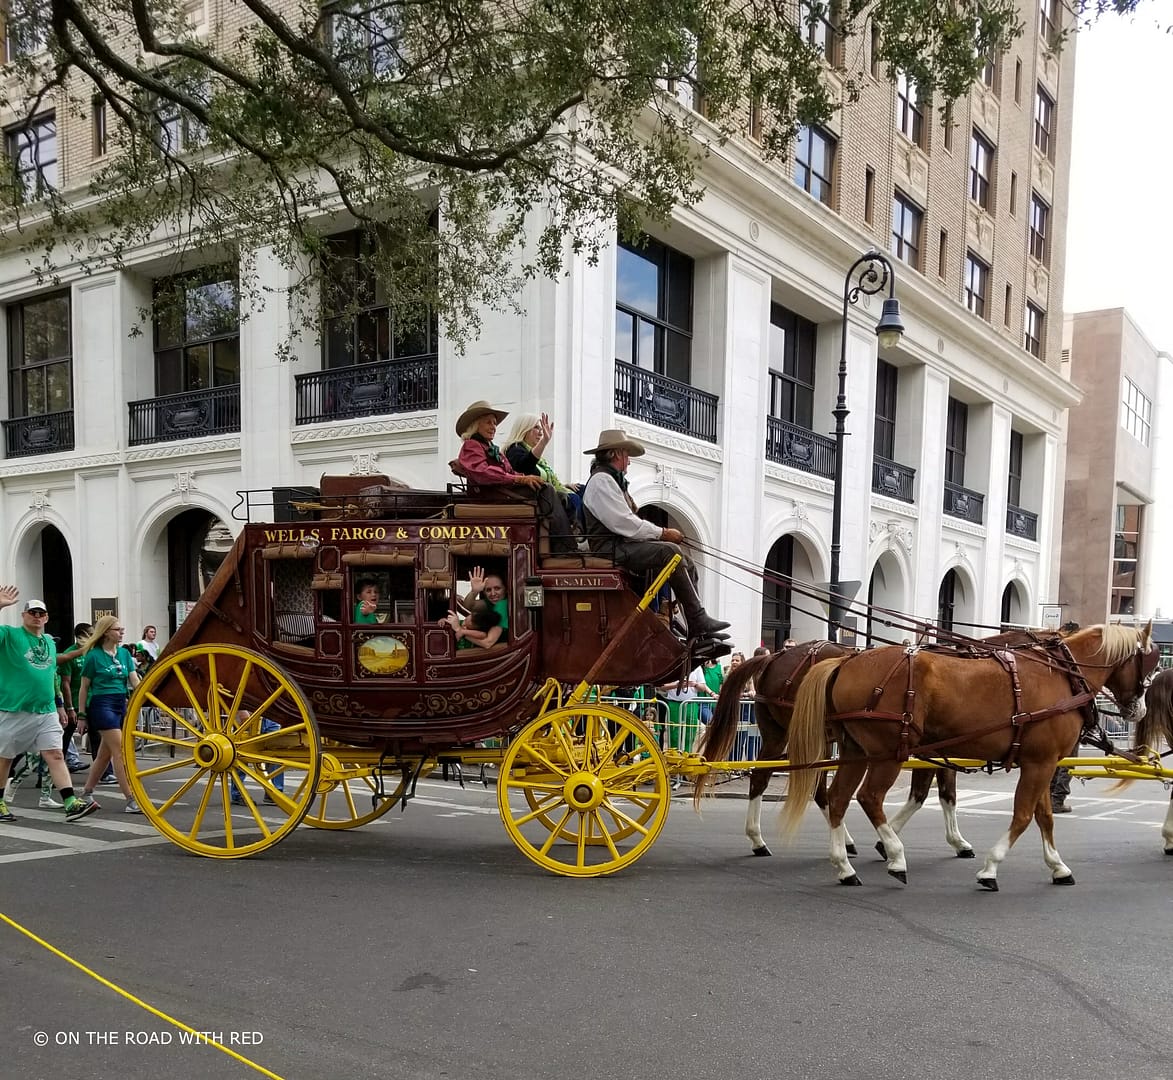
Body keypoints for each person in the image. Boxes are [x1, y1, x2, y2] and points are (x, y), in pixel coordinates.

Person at [580, 428, 729, 646]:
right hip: (610, 549)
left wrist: (660, 535)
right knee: (671, 553)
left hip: (620, 546)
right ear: (615, 454)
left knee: (685, 561)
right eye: (626, 454)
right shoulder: (602, 481)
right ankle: (697, 619)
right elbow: (624, 523)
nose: (629, 461)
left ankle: (697, 625)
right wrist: (663, 533)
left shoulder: (612, 480)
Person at [0, 589, 98, 823]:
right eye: (32, 612)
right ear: (23, 615)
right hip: (14, 709)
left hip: (45, 711)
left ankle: (70, 802)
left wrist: (61, 705)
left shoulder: (49, 643)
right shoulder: (10, 635)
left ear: (46, 617)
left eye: (40, 613)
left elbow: (52, 670)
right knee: (5, 758)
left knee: (55, 754)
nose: (36, 616)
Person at [454, 400, 577, 554]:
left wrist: (525, 477)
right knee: (546, 491)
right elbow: (482, 473)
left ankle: (562, 543)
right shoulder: (471, 445)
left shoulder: (492, 448)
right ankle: (565, 549)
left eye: (494, 423)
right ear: (475, 425)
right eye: (488, 423)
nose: (494, 427)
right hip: (492, 495)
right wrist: (519, 479)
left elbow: (510, 471)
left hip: (503, 491)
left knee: (558, 494)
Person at [76, 615, 142, 814]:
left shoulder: (123, 654)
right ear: (106, 632)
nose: (121, 632)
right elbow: (84, 687)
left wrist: (148, 696)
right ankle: (131, 798)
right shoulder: (93, 656)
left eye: (121, 629)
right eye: (117, 629)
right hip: (102, 705)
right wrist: (81, 715)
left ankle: (86, 793)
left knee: (104, 756)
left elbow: (134, 681)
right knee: (120, 751)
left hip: (120, 703)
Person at [503, 411, 584, 528]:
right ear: (524, 430)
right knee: (573, 498)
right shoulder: (514, 449)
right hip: (538, 498)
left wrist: (564, 485)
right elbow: (525, 466)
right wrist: (544, 442)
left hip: (548, 493)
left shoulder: (534, 454)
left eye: (541, 428)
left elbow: (545, 476)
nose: (541, 432)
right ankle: (581, 534)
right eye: (536, 427)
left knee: (582, 489)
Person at [229, 710, 285, 806]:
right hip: (250, 714)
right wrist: (241, 711)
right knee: (241, 754)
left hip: (270, 715)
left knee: (276, 751)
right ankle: (237, 793)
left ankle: (273, 792)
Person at [461, 567, 509, 643]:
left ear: (506, 589)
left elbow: (488, 642)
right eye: (488, 590)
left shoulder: (502, 605)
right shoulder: (490, 603)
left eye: (497, 588)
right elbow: (468, 605)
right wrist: (474, 591)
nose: (493, 594)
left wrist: (460, 631)